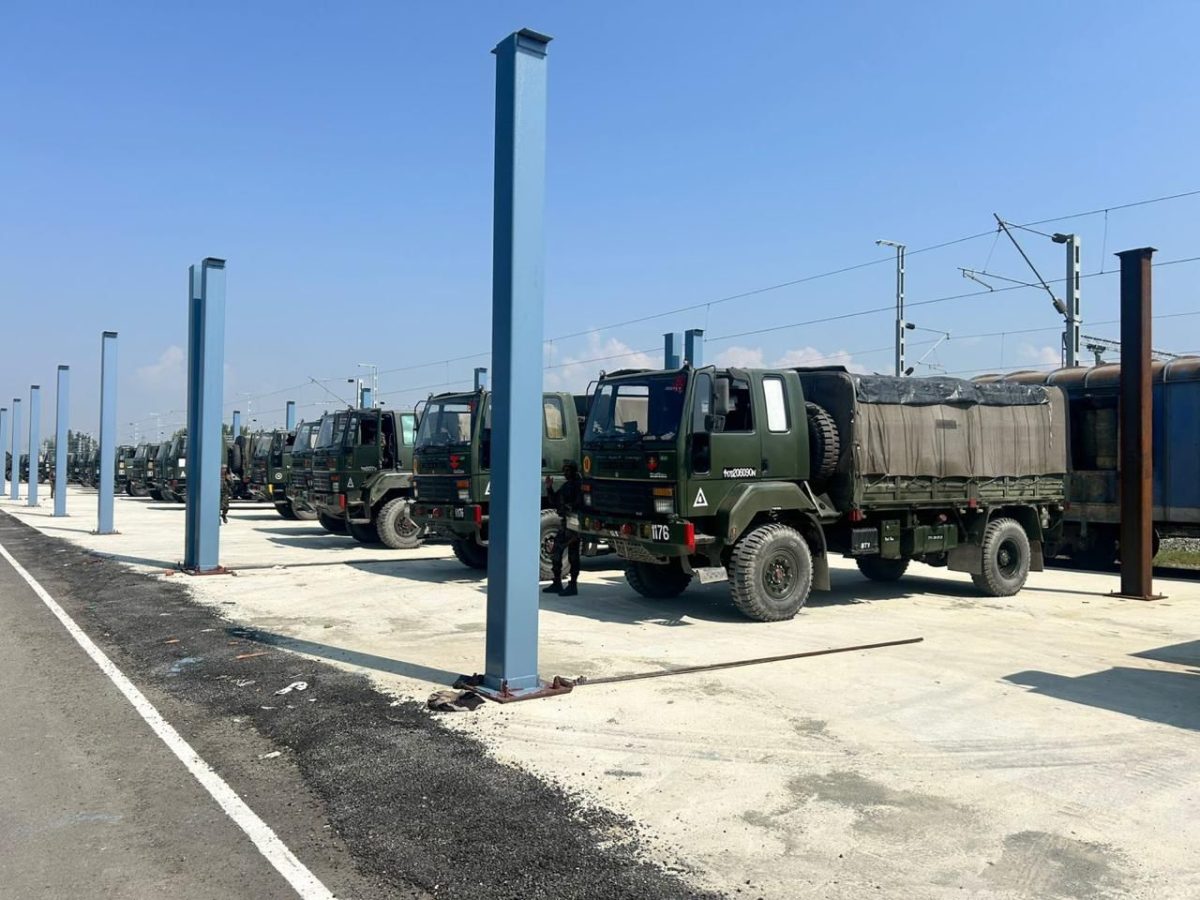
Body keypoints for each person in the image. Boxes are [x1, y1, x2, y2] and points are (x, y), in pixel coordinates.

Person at [543, 460, 582, 596]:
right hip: (566, 523)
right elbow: (554, 501)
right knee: (558, 551)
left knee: (571, 554)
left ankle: (572, 585)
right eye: (564, 470)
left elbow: (580, 504)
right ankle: (557, 582)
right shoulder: (567, 486)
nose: (565, 473)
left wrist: (570, 508)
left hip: (575, 524)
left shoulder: (579, 485)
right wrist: (549, 487)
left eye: (567, 470)